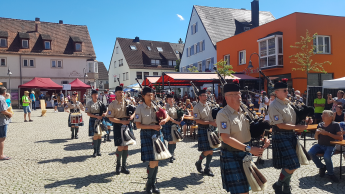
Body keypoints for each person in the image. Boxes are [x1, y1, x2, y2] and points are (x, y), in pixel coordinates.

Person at [217, 81, 269, 194]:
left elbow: (253, 129)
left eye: (239, 94)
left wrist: (263, 137)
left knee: (246, 189)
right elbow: (225, 138)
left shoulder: (245, 112)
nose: (239, 97)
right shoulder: (223, 114)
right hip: (232, 154)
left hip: (245, 154)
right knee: (241, 192)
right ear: (227, 97)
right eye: (235, 94)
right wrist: (249, 149)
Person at [268, 78, 312, 194]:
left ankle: (285, 186)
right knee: (293, 164)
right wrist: (299, 128)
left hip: (291, 135)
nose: (287, 92)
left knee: (291, 164)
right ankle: (278, 184)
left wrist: (305, 119)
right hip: (280, 135)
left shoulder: (288, 103)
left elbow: (294, 119)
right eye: (285, 90)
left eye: (287, 90)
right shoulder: (274, 106)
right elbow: (280, 125)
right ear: (276, 92)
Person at [134, 87, 169, 194]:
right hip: (146, 134)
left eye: (152, 95)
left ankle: (152, 184)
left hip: (157, 134)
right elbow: (138, 125)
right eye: (148, 95)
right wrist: (152, 127)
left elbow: (167, 116)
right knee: (153, 161)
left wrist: (164, 120)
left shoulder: (157, 106)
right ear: (143, 96)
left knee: (156, 160)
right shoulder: (139, 108)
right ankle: (150, 184)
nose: (151, 97)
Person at [107, 86, 135, 174]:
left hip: (127, 125)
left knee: (126, 145)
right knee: (120, 146)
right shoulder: (112, 105)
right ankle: (118, 165)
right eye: (119, 92)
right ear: (115, 93)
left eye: (122, 92)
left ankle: (124, 166)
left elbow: (135, 110)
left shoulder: (127, 102)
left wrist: (132, 116)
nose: (121, 94)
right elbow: (110, 118)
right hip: (118, 125)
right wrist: (121, 121)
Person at [308, 110, 342, 183]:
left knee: (327, 157)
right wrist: (316, 133)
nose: (322, 116)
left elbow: (340, 137)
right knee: (310, 153)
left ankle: (331, 174)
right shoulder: (320, 124)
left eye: (325, 115)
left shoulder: (335, 124)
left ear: (331, 117)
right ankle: (322, 167)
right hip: (320, 145)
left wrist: (328, 134)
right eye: (322, 115)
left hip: (330, 145)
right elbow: (316, 138)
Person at [193, 88, 217, 177]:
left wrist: (215, 123)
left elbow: (211, 117)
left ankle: (207, 168)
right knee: (209, 150)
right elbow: (197, 121)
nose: (206, 96)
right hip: (202, 129)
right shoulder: (196, 107)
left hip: (210, 129)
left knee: (211, 150)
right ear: (199, 97)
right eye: (204, 95)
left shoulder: (208, 105)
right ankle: (199, 162)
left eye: (206, 95)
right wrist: (211, 122)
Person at [85, 90, 107, 157]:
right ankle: (95, 151)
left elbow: (106, 109)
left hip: (100, 120)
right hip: (93, 120)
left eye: (96, 94)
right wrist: (96, 116)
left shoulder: (100, 102)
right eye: (94, 94)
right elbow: (88, 113)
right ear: (92, 95)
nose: (95, 96)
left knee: (99, 135)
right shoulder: (89, 103)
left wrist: (105, 114)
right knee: (95, 136)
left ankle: (98, 151)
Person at [162, 94, 181, 163]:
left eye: (172, 99)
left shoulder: (175, 106)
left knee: (175, 140)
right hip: (169, 125)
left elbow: (180, 113)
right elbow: (167, 116)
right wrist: (175, 121)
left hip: (175, 125)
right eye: (169, 99)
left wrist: (181, 117)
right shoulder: (165, 107)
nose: (171, 100)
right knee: (170, 140)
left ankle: (172, 153)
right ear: (167, 100)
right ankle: (170, 155)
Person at [0, 87, 13, 160]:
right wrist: (10, 114)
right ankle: (1, 155)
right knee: (2, 138)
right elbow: (3, 111)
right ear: (4, 93)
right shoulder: (1, 99)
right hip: (2, 121)